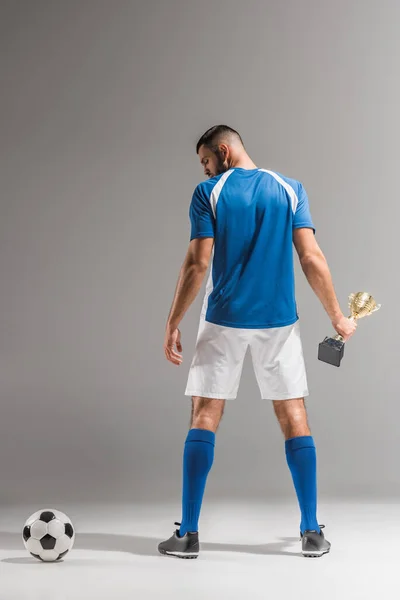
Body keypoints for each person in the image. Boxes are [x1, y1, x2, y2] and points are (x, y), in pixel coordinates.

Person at [159, 124, 357, 560]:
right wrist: (337, 316)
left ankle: (188, 534)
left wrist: (173, 320)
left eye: (206, 161)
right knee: (294, 415)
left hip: (223, 318)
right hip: (279, 321)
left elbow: (198, 262)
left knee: (205, 413)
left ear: (224, 152)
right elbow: (310, 257)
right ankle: (311, 531)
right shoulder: (290, 188)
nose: (205, 170)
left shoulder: (208, 192)